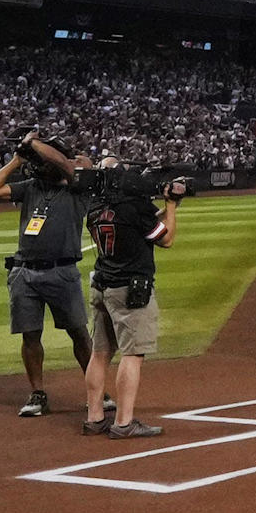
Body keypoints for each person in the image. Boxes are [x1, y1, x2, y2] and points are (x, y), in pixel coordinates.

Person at [0, 130, 93, 411]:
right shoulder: (31, 187)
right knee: (30, 335)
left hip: (62, 271)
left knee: (79, 333)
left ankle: (97, 390)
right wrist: (16, 160)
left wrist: (34, 143)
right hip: (24, 271)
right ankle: (38, 393)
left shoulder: (78, 185)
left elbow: (74, 166)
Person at [80, 149, 176, 437]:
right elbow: (166, 238)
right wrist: (171, 206)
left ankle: (95, 417)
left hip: (102, 284)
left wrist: (160, 210)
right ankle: (123, 422)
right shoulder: (134, 207)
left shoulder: (94, 206)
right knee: (132, 354)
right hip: (129, 288)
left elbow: (141, 227)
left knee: (100, 353)